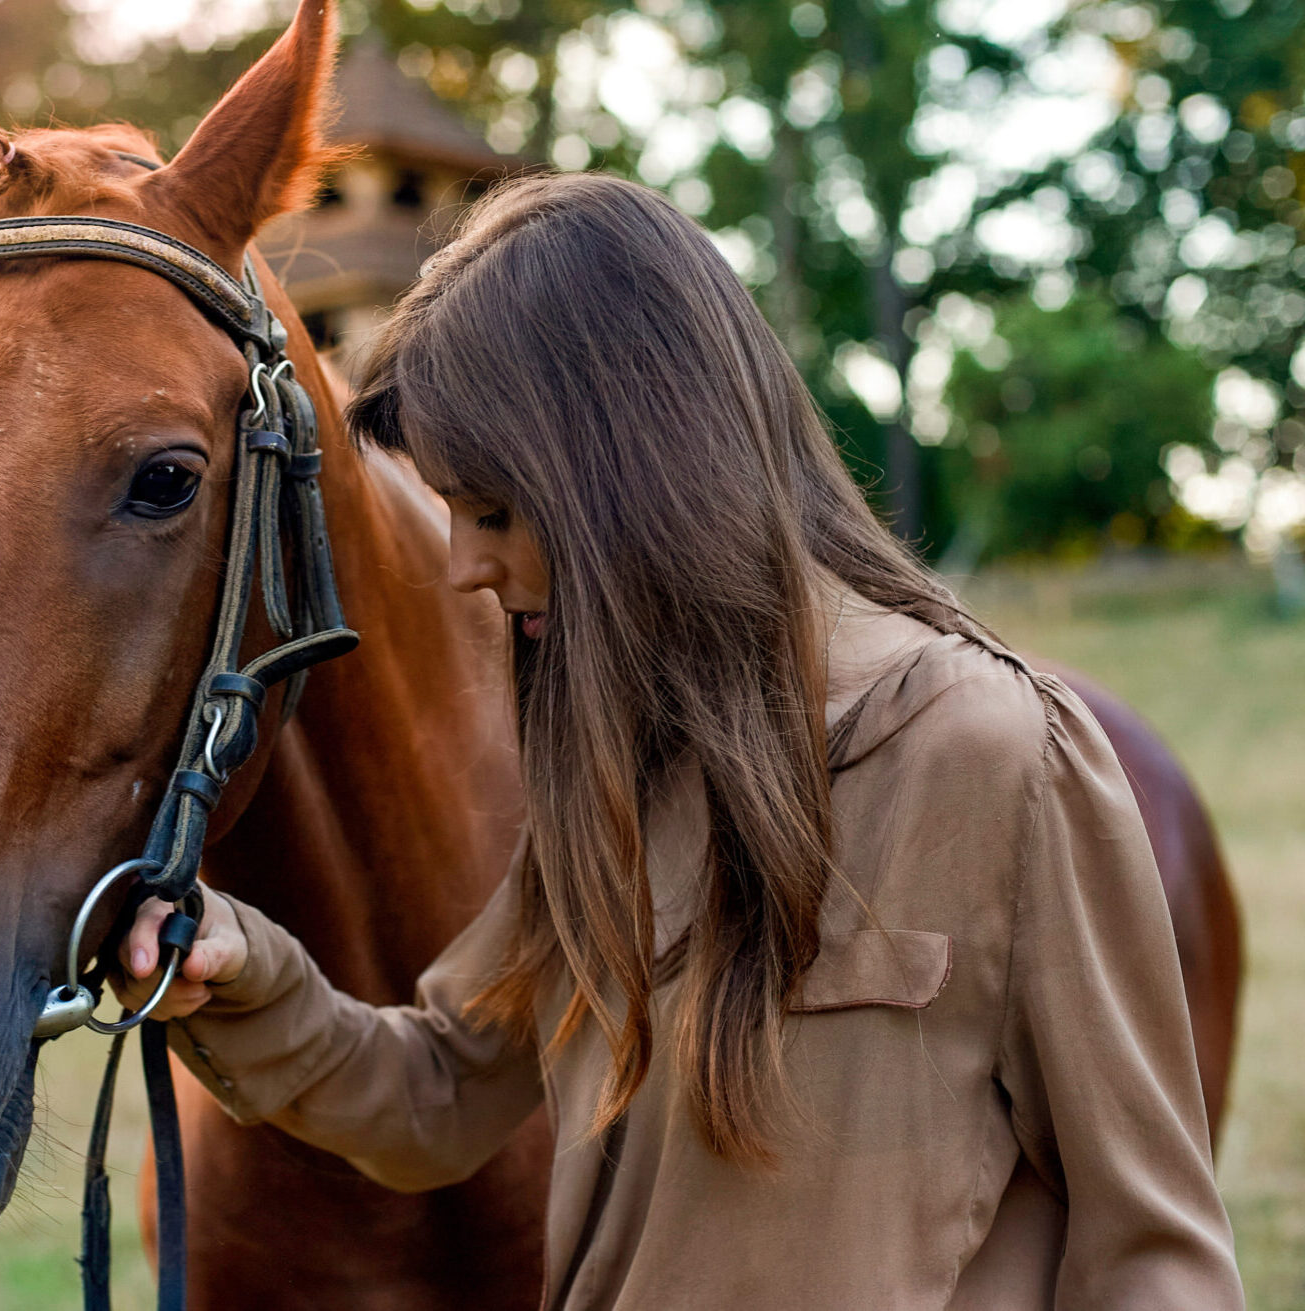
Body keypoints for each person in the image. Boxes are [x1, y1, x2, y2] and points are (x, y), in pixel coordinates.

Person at [112, 173, 1243, 1308]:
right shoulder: (602, 783)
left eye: (494, 511)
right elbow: (441, 1094)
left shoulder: (998, 756)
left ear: (632, 472)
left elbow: (1150, 1254)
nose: (464, 564)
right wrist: (245, 970)